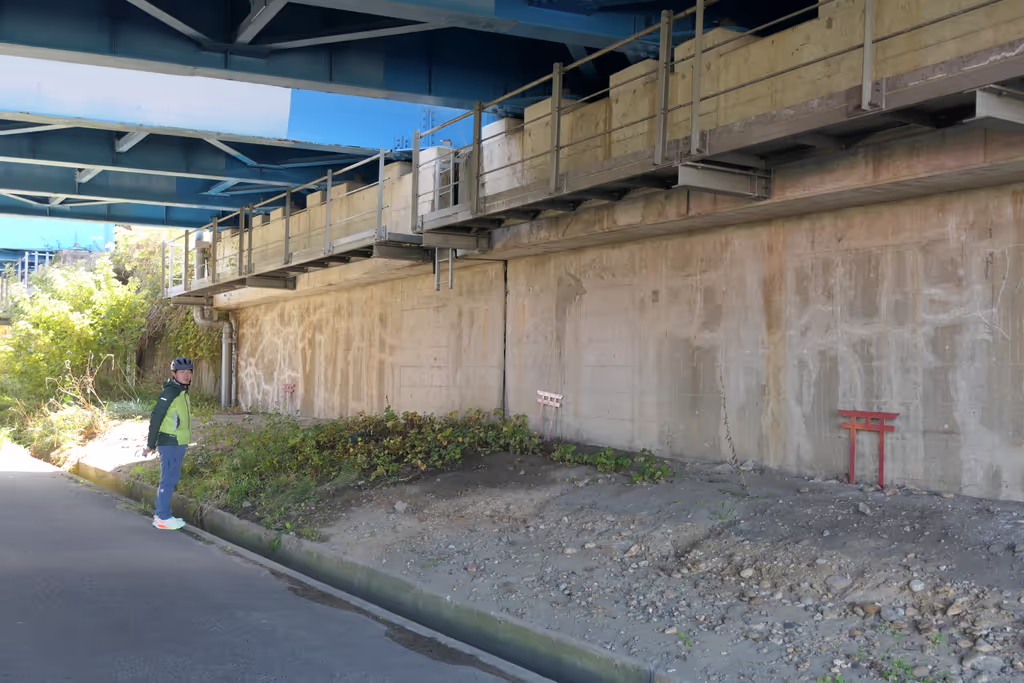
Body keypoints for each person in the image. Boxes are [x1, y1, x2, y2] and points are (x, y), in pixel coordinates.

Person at [143, 356, 193, 530]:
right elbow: (156, 417)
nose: (186, 375)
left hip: (179, 442)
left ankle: (164, 515)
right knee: (168, 480)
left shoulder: (182, 392)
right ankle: (162, 517)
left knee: (171, 479)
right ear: (174, 373)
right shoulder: (170, 392)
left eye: (189, 372)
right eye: (182, 372)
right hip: (169, 441)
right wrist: (150, 443)